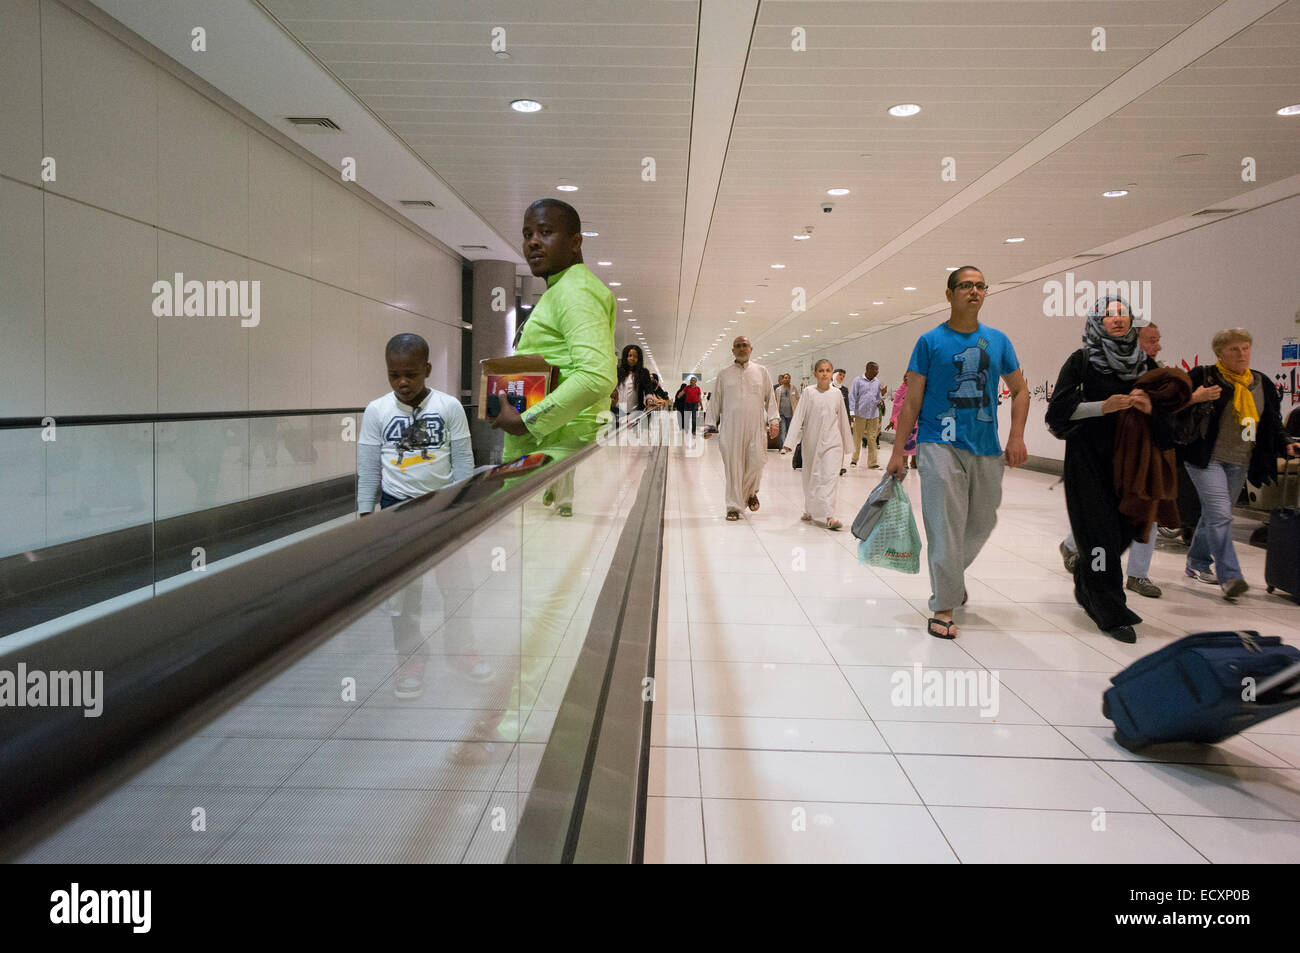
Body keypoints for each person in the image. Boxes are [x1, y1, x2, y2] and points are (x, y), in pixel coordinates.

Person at [887, 266, 1029, 640]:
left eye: (981, 286)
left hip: (986, 448)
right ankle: (944, 605)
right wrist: (900, 450)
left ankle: (952, 576)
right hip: (938, 443)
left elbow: (1020, 390)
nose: (975, 291)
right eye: (966, 285)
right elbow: (913, 398)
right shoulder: (929, 341)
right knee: (945, 525)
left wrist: (1017, 435)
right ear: (949, 294)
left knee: (982, 522)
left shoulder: (998, 341)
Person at [1046, 298, 1175, 643]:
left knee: (1123, 532)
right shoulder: (1083, 361)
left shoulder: (1145, 363)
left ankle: (1088, 584)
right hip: (1088, 461)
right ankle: (1109, 608)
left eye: (1122, 315)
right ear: (1097, 321)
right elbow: (1057, 413)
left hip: (1131, 465)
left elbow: (1167, 416)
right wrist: (1102, 407)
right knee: (1100, 537)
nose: (1117, 320)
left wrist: (1150, 407)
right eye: (1109, 315)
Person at [357, 332, 475, 696]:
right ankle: (411, 659)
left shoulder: (449, 407)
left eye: (410, 374)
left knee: (457, 583)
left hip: (442, 506)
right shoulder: (377, 411)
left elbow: (463, 461)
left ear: (427, 369)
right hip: (396, 510)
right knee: (405, 593)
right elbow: (367, 467)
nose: (402, 382)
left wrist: (464, 507)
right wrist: (366, 514)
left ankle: (462, 649)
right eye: (394, 375)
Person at [489, 198, 618, 518]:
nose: (533, 241)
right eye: (527, 233)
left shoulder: (575, 290)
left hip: (552, 444)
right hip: (547, 443)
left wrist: (526, 422)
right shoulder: (560, 291)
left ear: (575, 241)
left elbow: (598, 374)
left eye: (545, 232)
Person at [1181, 328, 1300, 598]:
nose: (1242, 354)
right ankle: (1231, 576)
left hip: (1241, 459)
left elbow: (1270, 420)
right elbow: (1176, 405)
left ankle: (1197, 562)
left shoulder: (1260, 382)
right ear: (1219, 352)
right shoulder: (1204, 376)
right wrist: (1197, 397)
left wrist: (1285, 443)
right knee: (1222, 515)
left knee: (1214, 514)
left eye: (1245, 347)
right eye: (1234, 349)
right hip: (1205, 458)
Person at [1057, 321, 1164, 598]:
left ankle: (1136, 575)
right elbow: (1063, 411)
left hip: (1141, 461)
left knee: (1142, 517)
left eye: (1157, 340)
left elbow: (1171, 417)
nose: (1157, 346)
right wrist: (1104, 407)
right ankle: (1092, 578)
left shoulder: (1154, 373)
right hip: (1101, 461)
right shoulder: (1090, 367)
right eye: (1151, 340)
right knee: (1101, 525)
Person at [704, 336, 780, 520]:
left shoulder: (761, 371)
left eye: (744, 345)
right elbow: (716, 400)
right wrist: (710, 424)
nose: (741, 349)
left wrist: (774, 421)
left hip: (755, 427)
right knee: (733, 467)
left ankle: (751, 491)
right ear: (732, 351)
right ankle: (734, 506)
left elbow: (770, 397)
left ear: (751, 349)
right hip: (731, 428)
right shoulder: (724, 374)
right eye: (737, 346)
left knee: (757, 462)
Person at [782, 359, 853, 530]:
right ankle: (809, 509)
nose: (824, 373)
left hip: (832, 442)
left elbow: (843, 418)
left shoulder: (837, 394)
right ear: (815, 373)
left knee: (830, 476)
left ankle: (830, 515)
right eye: (821, 370)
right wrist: (789, 443)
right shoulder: (808, 392)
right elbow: (798, 416)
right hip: (811, 440)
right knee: (810, 476)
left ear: (832, 373)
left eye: (828, 370)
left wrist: (848, 445)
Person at [848, 362, 887, 467]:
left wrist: (882, 396)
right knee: (857, 438)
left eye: (877, 370)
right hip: (860, 414)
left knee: (872, 438)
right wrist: (852, 412)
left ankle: (872, 463)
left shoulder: (877, 382)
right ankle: (854, 460)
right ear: (868, 369)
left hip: (873, 415)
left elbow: (878, 398)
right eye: (875, 369)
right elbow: (852, 396)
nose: (877, 372)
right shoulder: (858, 380)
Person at [612, 343, 659, 424]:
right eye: (630, 355)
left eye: (635, 357)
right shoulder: (618, 371)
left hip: (634, 411)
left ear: (639, 359)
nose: (632, 358)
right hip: (617, 410)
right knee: (617, 433)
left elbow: (648, 389)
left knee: (631, 434)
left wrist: (649, 400)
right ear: (625, 356)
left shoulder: (643, 372)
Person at [886, 371, 919, 469]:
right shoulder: (901, 390)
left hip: (916, 420)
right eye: (905, 377)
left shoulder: (918, 389)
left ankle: (914, 461)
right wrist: (892, 420)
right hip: (904, 420)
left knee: (915, 441)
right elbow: (896, 406)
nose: (907, 379)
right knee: (905, 441)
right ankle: (904, 461)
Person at [774, 373, 800, 446]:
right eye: (785, 378)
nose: (787, 379)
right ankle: (782, 447)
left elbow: (798, 398)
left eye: (789, 378)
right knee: (782, 430)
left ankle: (787, 445)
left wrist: (797, 409)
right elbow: (776, 401)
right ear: (782, 379)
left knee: (789, 431)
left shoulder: (793, 388)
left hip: (790, 413)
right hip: (781, 413)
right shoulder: (778, 390)